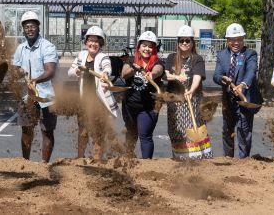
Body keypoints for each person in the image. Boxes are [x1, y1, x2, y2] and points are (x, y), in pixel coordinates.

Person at [12, 11, 59, 163]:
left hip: (47, 97)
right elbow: (15, 71)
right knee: (26, 130)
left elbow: (50, 71)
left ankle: (45, 165)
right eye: (26, 27)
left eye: (32, 26)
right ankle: (26, 163)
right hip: (27, 97)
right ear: (23, 29)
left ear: (38, 27)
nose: (29, 29)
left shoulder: (47, 46)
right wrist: (18, 71)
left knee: (47, 131)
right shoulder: (20, 49)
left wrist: (35, 80)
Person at [68, 26, 118, 160]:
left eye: (97, 41)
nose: (93, 44)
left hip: (98, 102)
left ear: (100, 44)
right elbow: (70, 72)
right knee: (83, 131)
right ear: (86, 42)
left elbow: (107, 67)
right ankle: (80, 159)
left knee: (97, 133)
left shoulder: (103, 57)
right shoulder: (81, 55)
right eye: (90, 40)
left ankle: (97, 160)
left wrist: (106, 74)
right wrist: (76, 71)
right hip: (84, 101)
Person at [213, 23, 263, 158]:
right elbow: (216, 75)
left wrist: (242, 85)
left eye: (240, 39)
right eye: (233, 40)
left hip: (245, 98)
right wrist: (222, 79)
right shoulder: (221, 55)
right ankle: (228, 159)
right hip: (228, 100)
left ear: (243, 39)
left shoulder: (250, 54)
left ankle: (244, 160)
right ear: (227, 41)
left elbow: (251, 71)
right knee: (227, 130)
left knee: (244, 131)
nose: (236, 43)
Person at [164, 25, 213, 160]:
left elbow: (197, 76)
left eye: (187, 41)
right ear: (178, 42)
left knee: (193, 127)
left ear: (192, 42)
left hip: (193, 99)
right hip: (174, 100)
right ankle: (180, 158)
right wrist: (177, 77)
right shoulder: (171, 57)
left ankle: (198, 158)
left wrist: (192, 89)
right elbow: (167, 75)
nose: (184, 43)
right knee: (176, 130)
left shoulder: (197, 59)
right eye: (182, 41)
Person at [121, 31, 164, 159]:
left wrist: (152, 74)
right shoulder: (130, 60)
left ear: (154, 49)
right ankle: (128, 161)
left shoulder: (158, 62)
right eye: (144, 45)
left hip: (148, 107)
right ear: (139, 47)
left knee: (145, 135)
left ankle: (147, 165)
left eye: (150, 46)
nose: (147, 49)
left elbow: (159, 70)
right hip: (129, 106)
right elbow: (124, 74)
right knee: (131, 133)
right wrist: (134, 68)